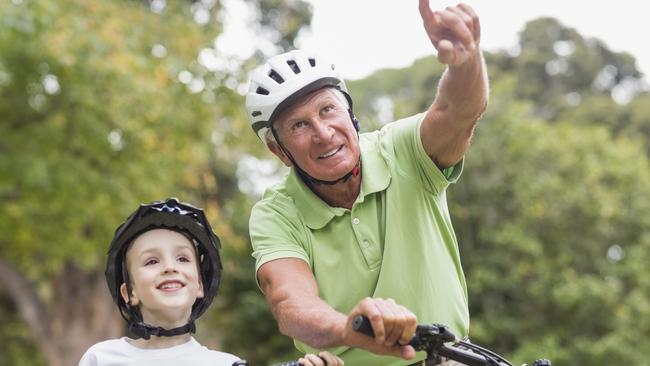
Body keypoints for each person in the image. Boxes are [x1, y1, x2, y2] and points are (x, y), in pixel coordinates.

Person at [245, 1, 488, 365]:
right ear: (279, 151)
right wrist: (348, 329)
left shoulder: (402, 150)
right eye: (299, 125)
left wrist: (466, 62)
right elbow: (290, 302)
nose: (324, 134)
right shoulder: (276, 214)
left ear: (350, 112)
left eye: (328, 110)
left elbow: (459, 112)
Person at [79, 198, 343, 366]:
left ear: (199, 286)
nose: (170, 267)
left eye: (182, 259)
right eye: (151, 262)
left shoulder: (227, 364)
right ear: (129, 293)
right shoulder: (102, 358)